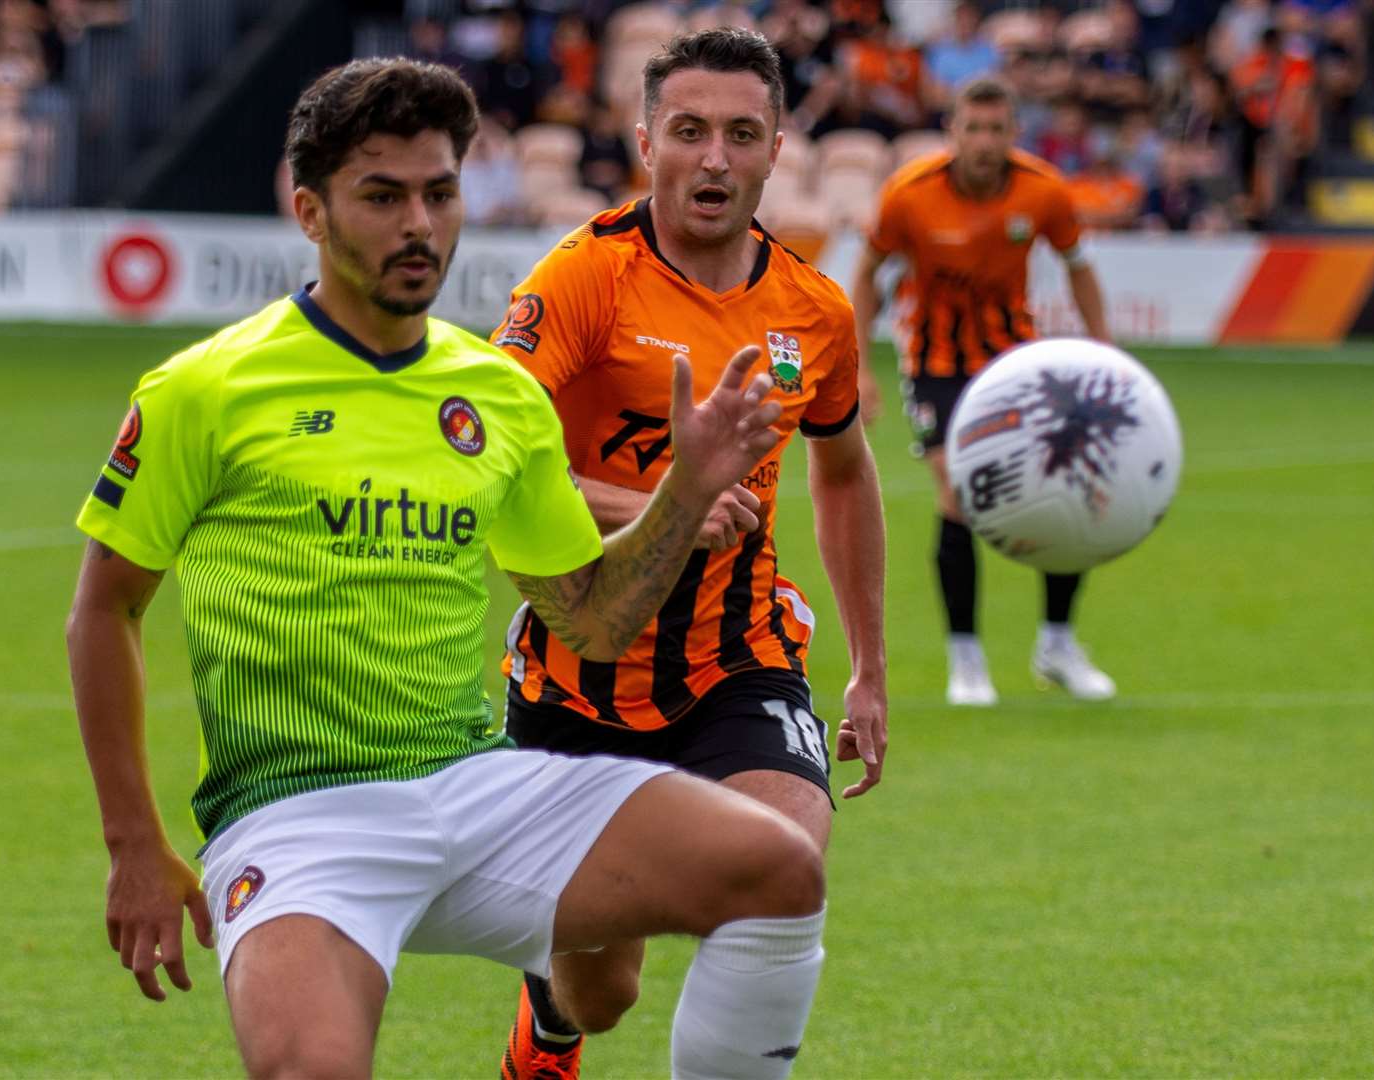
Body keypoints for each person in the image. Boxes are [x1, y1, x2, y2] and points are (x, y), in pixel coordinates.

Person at [66, 57, 833, 1080]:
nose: (418, 224)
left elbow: (591, 624)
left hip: (472, 785)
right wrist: (133, 846)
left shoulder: (496, 398)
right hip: (299, 815)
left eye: (438, 192)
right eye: (381, 196)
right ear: (309, 210)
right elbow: (102, 614)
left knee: (775, 870)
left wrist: (682, 495)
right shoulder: (206, 389)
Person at [489, 28, 888, 1080]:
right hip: (581, 673)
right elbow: (482, 455)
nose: (714, 158)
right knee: (600, 994)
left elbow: (843, 473)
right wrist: (663, 501)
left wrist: (871, 670)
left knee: (784, 865)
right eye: (690, 131)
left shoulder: (815, 310)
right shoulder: (583, 279)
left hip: (738, 661)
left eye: (741, 134)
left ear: (774, 152)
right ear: (644, 141)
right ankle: (551, 1020)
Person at [851, 75, 1116, 707]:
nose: (985, 141)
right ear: (953, 133)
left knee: (1064, 484)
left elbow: (1080, 269)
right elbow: (866, 275)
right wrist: (859, 368)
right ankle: (966, 659)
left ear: (1012, 134)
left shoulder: (1044, 190)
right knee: (959, 492)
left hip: (1017, 363)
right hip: (936, 364)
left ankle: (1056, 643)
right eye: (973, 128)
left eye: (997, 129)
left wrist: (1105, 353)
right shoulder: (909, 196)